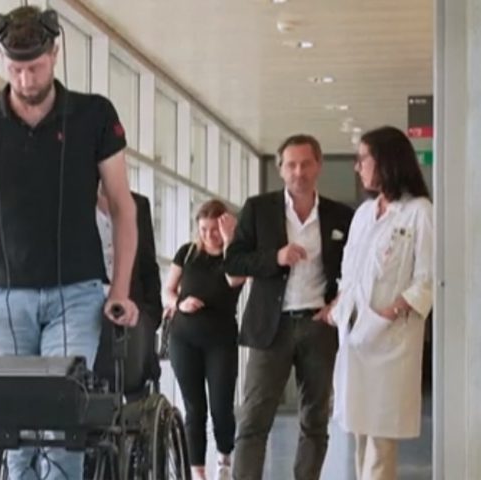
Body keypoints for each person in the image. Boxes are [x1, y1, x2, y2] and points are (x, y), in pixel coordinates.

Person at [0, 6, 138, 479]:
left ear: (55, 54)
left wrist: (120, 289)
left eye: (34, 67)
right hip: (4, 295)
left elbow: (121, 205)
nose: (25, 79)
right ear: (2, 61)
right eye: (15, 69)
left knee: (60, 426)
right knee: (16, 433)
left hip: (77, 293)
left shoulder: (94, 115)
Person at [223, 134, 354, 480]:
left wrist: (338, 304)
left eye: (306, 164)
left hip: (319, 325)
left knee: (315, 420)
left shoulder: (341, 215)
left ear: (319, 166)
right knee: (254, 419)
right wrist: (275, 257)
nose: (299, 172)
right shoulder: (258, 209)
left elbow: (355, 270)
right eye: (291, 165)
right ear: (280, 169)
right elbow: (233, 261)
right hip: (271, 326)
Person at [324, 126, 432, 480]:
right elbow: (350, 274)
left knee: (381, 444)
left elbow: (428, 278)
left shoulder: (419, 212)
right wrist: (338, 308)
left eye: (362, 159)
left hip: (391, 340)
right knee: (359, 434)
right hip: (356, 337)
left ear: (386, 161)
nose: (357, 167)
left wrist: (391, 310)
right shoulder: (363, 214)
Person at [163, 199, 246, 480]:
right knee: (194, 408)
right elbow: (167, 291)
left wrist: (230, 240)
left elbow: (234, 280)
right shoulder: (187, 253)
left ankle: (224, 458)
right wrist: (180, 303)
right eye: (203, 229)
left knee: (221, 407)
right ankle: (197, 471)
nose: (209, 235)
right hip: (184, 339)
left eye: (214, 230)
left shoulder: (235, 258)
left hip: (220, 341)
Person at [93, 187, 163, 397]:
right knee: (94, 386)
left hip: (132, 312)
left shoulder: (138, 204)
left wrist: (150, 317)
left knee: (135, 386)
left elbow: (148, 264)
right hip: (88, 308)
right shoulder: (75, 201)